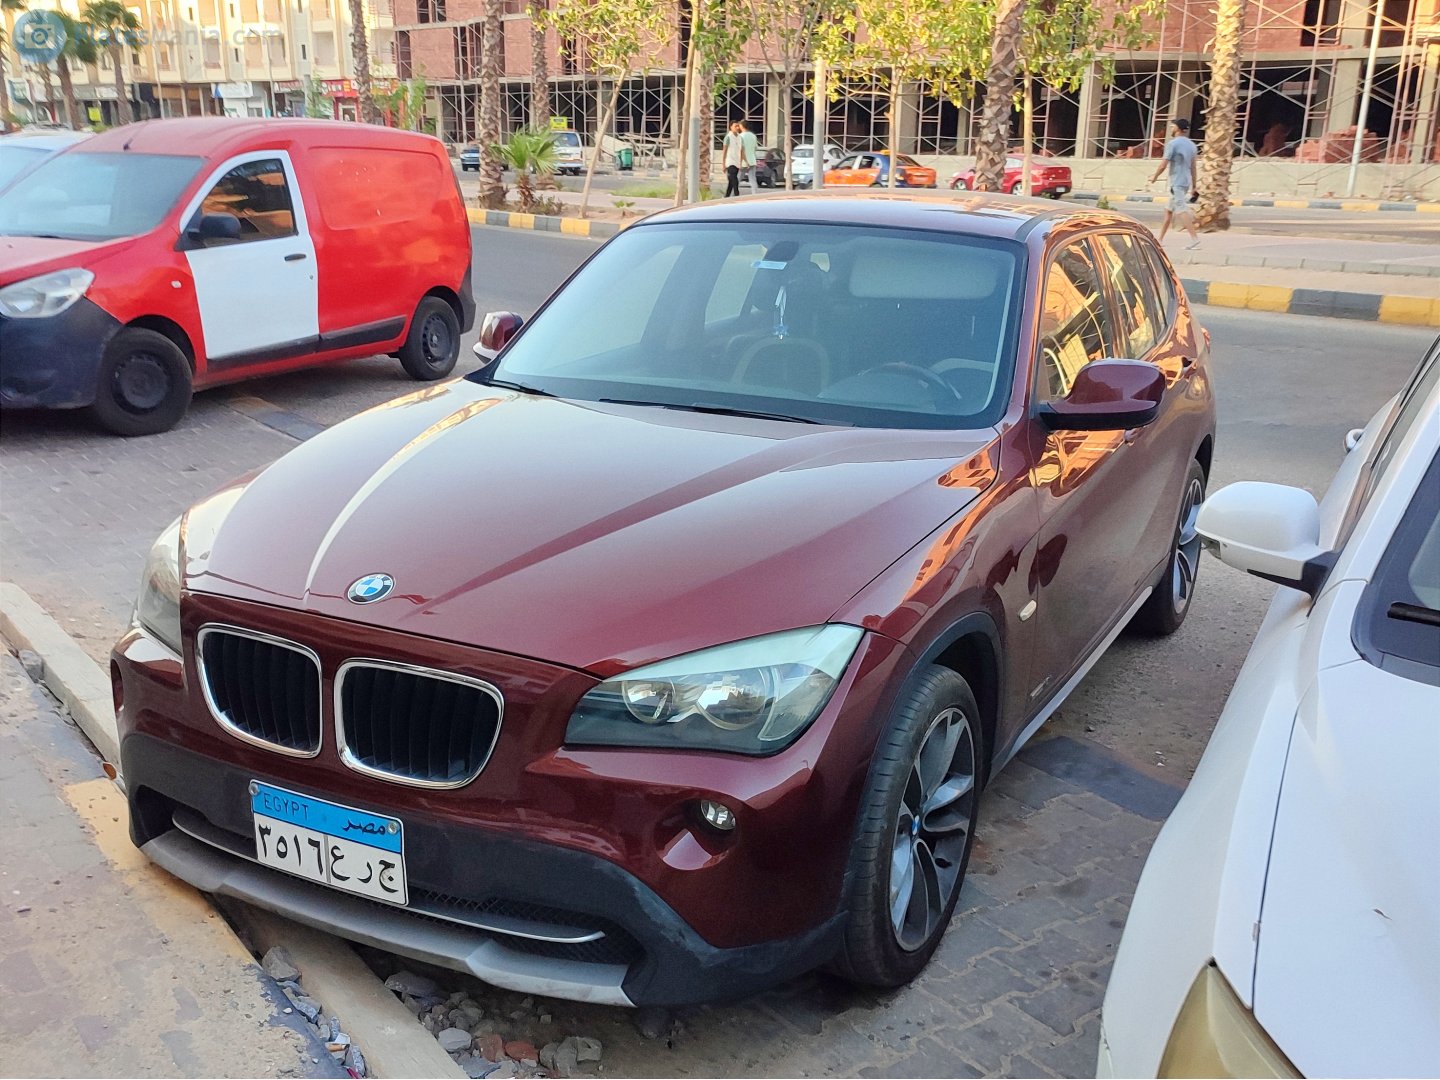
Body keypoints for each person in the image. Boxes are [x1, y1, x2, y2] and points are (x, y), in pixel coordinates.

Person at [1150, 118, 1200, 248]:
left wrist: (1154, 177)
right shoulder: (1192, 145)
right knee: (1168, 211)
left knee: (1181, 210)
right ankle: (1160, 240)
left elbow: (1163, 164)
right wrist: (1194, 186)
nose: (1171, 128)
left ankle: (1195, 239)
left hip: (1177, 183)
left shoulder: (1173, 144)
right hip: (1185, 182)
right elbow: (1193, 167)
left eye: (1173, 126)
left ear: (1177, 128)